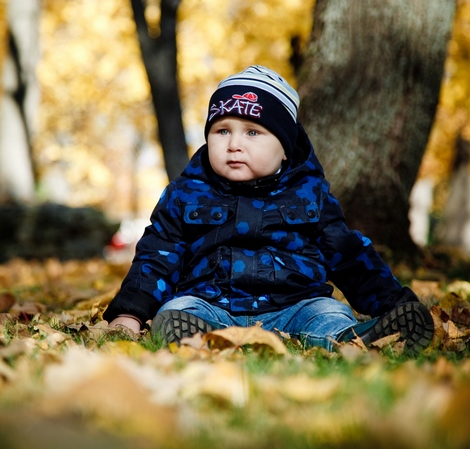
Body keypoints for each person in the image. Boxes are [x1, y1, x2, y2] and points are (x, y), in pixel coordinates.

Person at [103, 65, 434, 351]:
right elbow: (157, 257)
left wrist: (394, 304)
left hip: (296, 306)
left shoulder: (310, 195)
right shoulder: (185, 193)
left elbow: (349, 256)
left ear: (285, 148)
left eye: (252, 132)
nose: (234, 144)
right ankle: (195, 336)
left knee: (328, 313)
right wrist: (129, 314)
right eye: (222, 131)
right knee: (179, 309)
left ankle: (354, 338)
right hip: (212, 305)